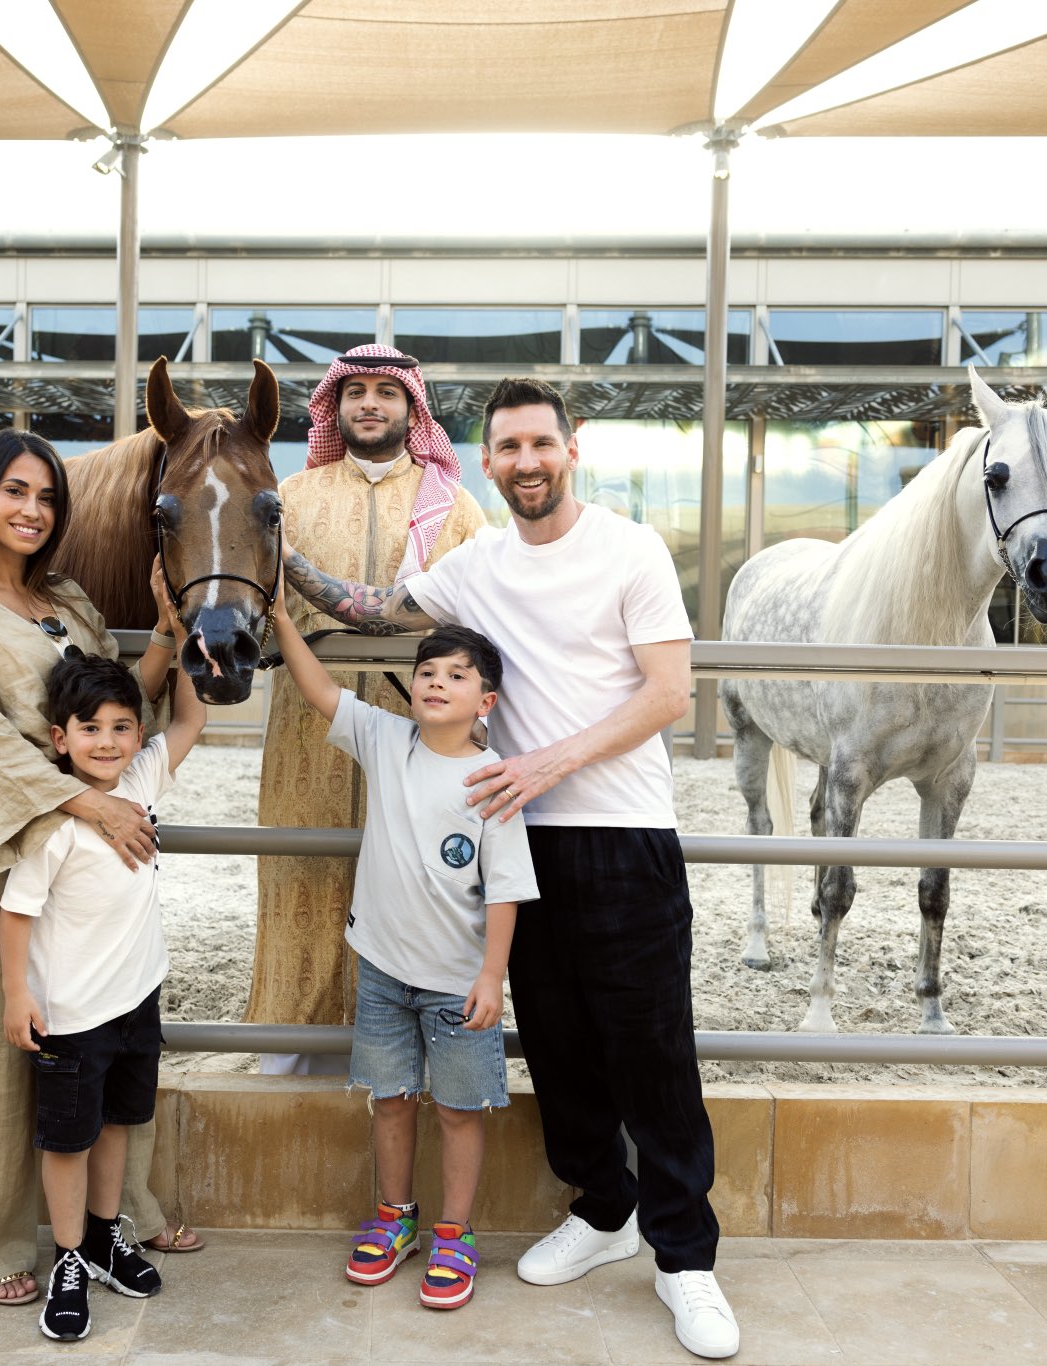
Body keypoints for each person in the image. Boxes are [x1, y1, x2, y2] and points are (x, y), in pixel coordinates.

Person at [279, 377, 740, 1359]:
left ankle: (684, 1258)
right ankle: (601, 1207)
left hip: (620, 832)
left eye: (540, 443)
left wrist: (544, 761)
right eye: (507, 447)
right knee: (562, 1047)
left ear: (570, 450)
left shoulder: (630, 548)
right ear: (484, 462)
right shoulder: (474, 562)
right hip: (514, 844)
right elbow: (370, 611)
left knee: (649, 1048)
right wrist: (268, 560)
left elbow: (668, 693)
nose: (525, 461)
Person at [0, 429, 196, 1309]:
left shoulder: (67, 600)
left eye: (47, 498)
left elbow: (119, 697)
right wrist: (90, 804)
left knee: (106, 1032)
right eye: (15, 493)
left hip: (91, 857)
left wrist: (170, 629)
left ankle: (113, 1222)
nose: (32, 511)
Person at [269, 609, 536, 1309]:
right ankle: (396, 1218)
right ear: (410, 690)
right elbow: (321, 690)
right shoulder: (386, 741)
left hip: (457, 983)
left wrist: (491, 977)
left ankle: (456, 1230)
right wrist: (277, 619)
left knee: (457, 1110)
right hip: (384, 973)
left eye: (456, 675)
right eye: (426, 672)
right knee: (389, 1101)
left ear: (486, 703)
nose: (436, 683)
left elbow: (506, 891)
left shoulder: (493, 781)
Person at [251, 344, 487, 1073]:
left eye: (387, 392)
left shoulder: (459, 507)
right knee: (300, 866)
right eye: (355, 392)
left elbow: (479, 626)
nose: (370, 404)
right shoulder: (291, 496)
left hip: (421, 738)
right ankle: (285, 1040)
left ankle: (400, 1038)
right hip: (307, 730)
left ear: (412, 409)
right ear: (334, 407)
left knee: (415, 876)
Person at [1, 649, 206, 1339]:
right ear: (61, 739)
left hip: (137, 1001)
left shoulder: (142, 780)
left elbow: (190, 718)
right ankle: (65, 1259)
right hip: (69, 1014)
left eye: (122, 727)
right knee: (68, 1140)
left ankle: (100, 1235)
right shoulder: (56, 824)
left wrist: (184, 641)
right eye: (90, 728)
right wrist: (14, 996)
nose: (109, 742)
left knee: (119, 1122)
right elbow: (16, 914)